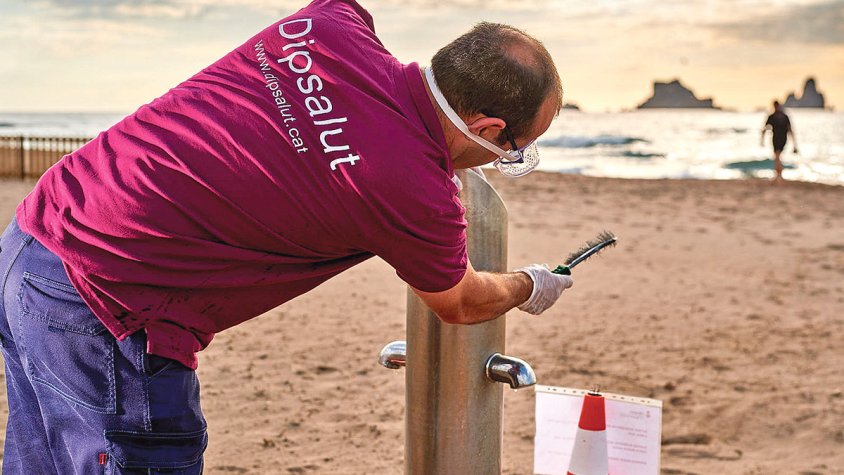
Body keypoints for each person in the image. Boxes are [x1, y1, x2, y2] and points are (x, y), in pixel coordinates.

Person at [0, 0, 573, 472]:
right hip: (110, 308)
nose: (507, 159)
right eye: (515, 150)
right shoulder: (418, 192)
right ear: (487, 129)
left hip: (34, 237)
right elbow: (461, 300)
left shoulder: (329, 24)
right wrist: (530, 285)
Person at [761, 100, 797, 181]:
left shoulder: (780, 117)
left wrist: (794, 144)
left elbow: (790, 130)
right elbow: (765, 129)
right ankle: (778, 174)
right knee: (777, 156)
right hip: (778, 138)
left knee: (777, 156)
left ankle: (778, 174)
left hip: (780, 138)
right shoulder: (776, 116)